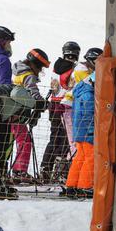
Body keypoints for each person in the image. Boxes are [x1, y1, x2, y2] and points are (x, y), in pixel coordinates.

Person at [40, 42, 80, 182]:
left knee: (55, 137)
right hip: (65, 105)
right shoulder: (74, 68)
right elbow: (71, 86)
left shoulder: (57, 66)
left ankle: (46, 168)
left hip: (54, 104)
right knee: (65, 139)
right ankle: (61, 170)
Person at [10, 48, 50, 183]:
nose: (40, 71)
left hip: (10, 111)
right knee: (25, 141)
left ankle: (12, 170)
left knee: (11, 141)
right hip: (18, 113)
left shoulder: (16, 70)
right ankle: (20, 171)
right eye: (39, 67)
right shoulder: (28, 75)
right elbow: (33, 92)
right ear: (33, 64)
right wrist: (43, 103)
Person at [62, 72, 95, 199]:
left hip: (79, 131)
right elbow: (90, 116)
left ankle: (72, 184)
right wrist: (93, 132)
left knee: (80, 158)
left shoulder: (81, 92)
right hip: (88, 131)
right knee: (90, 158)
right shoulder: (89, 95)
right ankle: (85, 186)